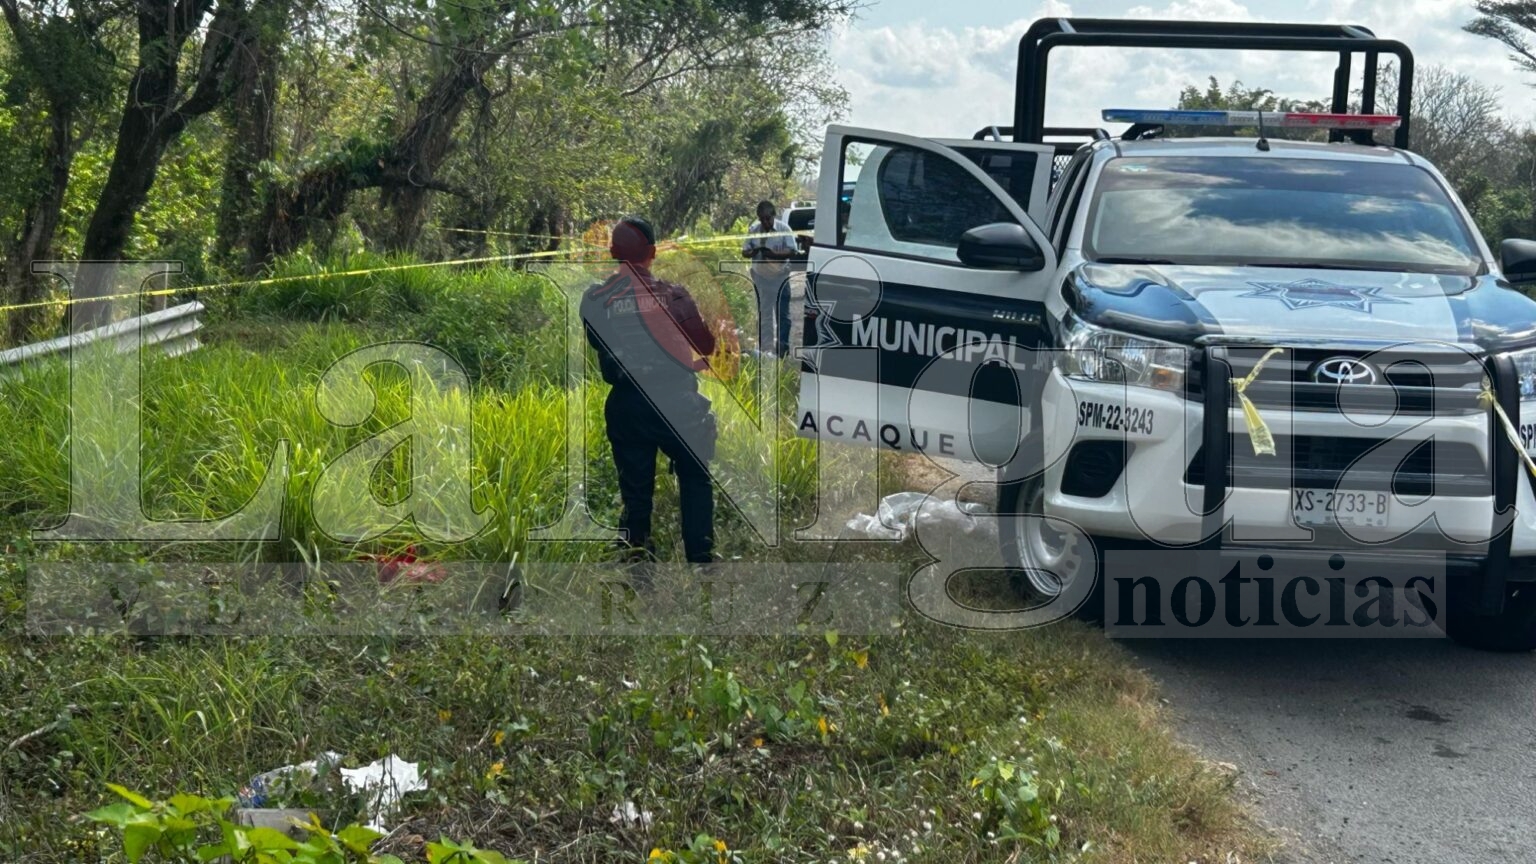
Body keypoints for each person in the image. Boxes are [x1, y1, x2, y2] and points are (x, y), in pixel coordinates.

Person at [581, 216, 718, 565]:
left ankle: (637, 563)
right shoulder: (674, 295)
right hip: (677, 402)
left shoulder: (596, 298)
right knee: (695, 477)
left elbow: (598, 341)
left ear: (613, 252)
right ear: (653, 252)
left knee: (636, 492)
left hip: (628, 405)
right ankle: (701, 564)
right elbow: (705, 345)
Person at [741, 200, 798, 356]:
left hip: (780, 277)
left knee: (782, 315)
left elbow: (793, 251)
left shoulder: (783, 229)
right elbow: (744, 251)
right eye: (762, 219)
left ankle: (782, 349)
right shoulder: (754, 230)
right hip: (761, 277)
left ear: (773, 215)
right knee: (765, 313)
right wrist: (753, 252)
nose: (765, 222)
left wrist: (773, 254)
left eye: (768, 218)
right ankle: (766, 348)